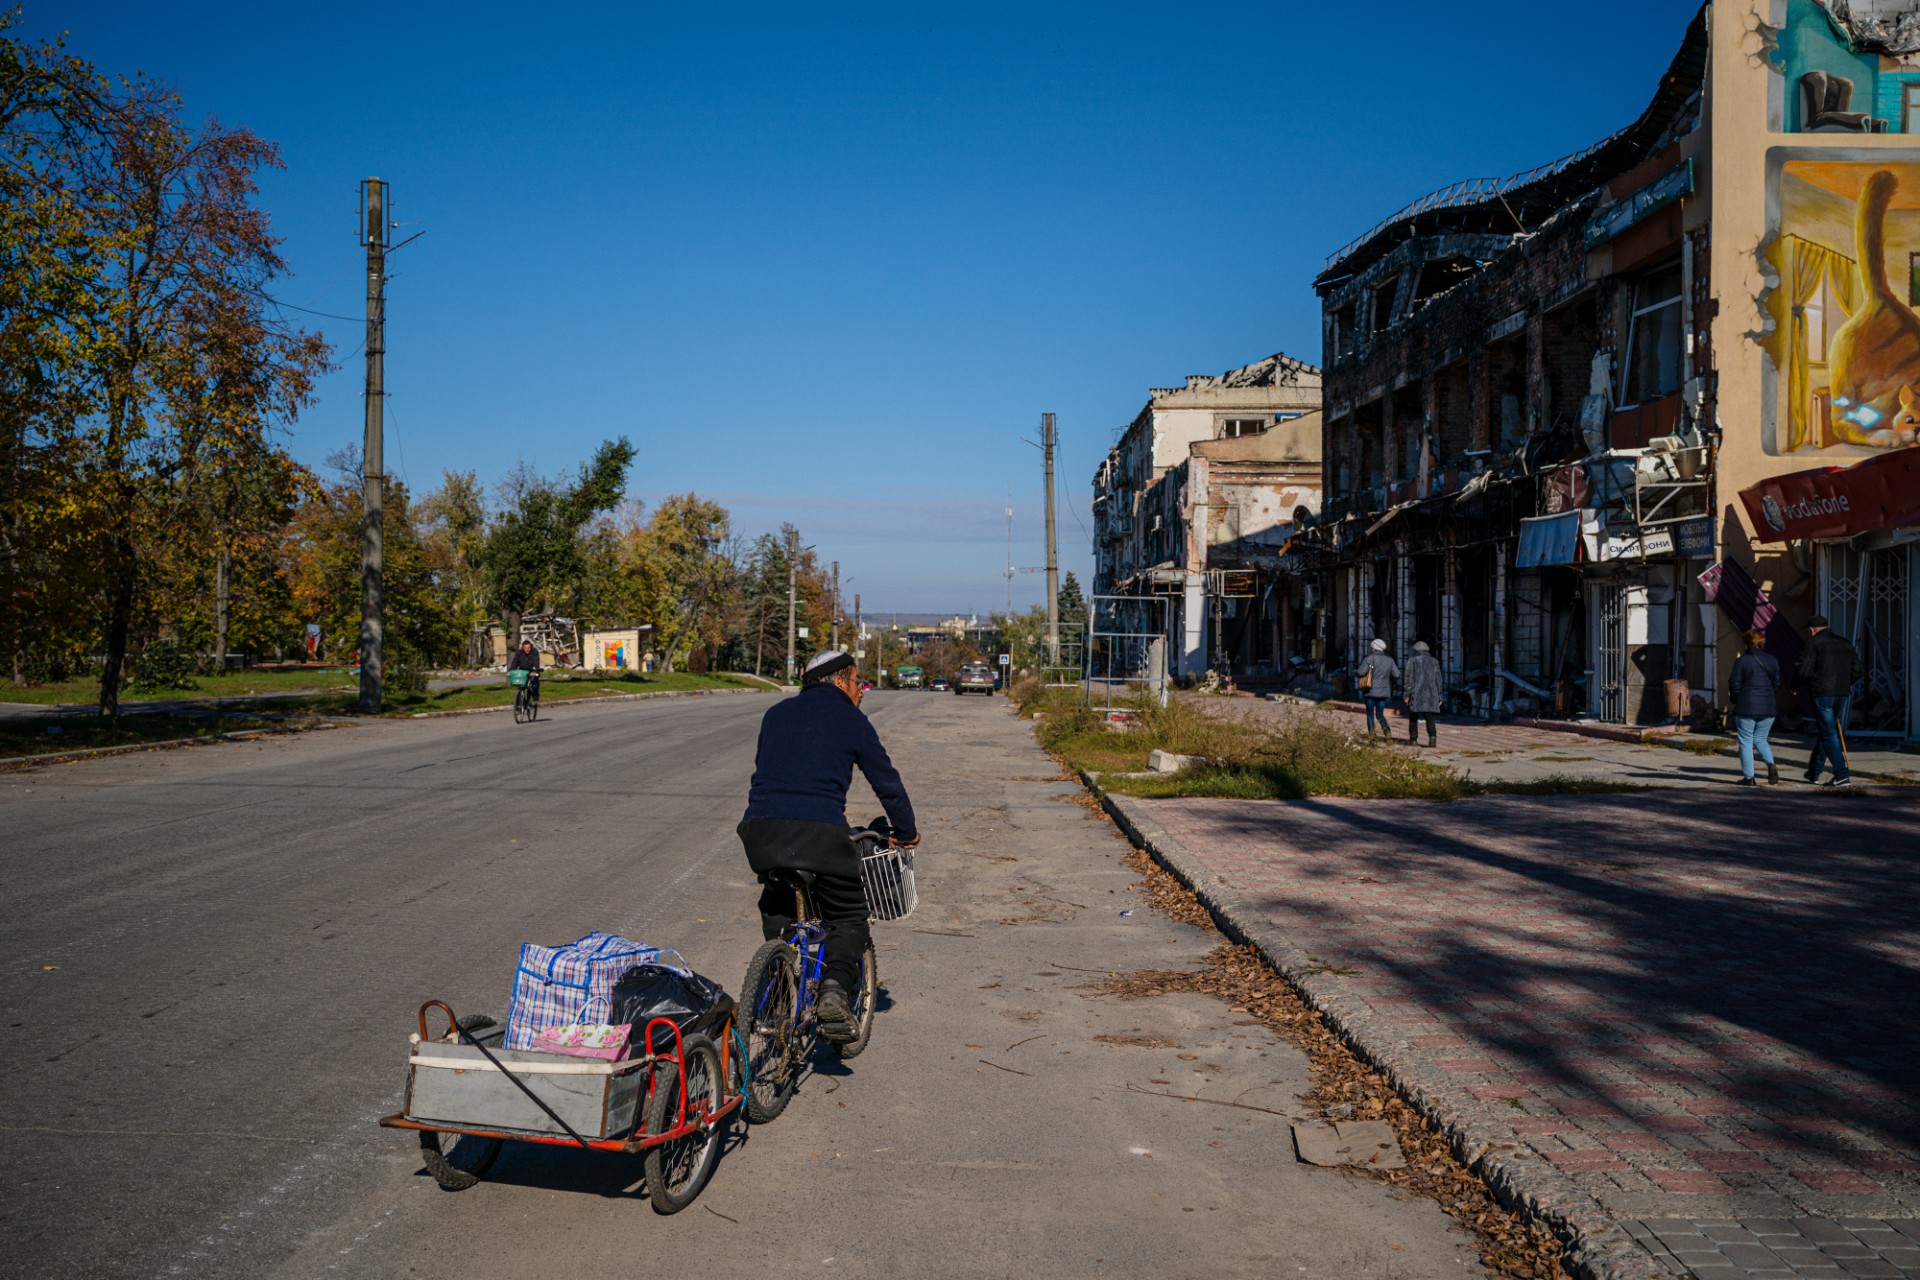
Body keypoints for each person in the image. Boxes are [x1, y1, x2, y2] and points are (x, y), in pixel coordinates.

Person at [738, 649, 919, 1041]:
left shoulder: (776, 714)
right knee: (850, 913)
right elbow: (887, 782)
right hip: (819, 832)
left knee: (777, 906)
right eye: (858, 682)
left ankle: (781, 985)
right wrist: (905, 831)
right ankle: (835, 990)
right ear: (840, 681)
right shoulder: (851, 719)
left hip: (760, 832)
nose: (862, 691)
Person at [1797, 614, 1861, 787]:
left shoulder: (1813, 643)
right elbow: (1857, 670)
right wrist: (1845, 683)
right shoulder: (1845, 643)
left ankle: (1841, 774)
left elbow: (1804, 669)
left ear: (1812, 630)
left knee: (1828, 733)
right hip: (1841, 693)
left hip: (1822, 692)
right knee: (1827, 731)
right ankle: (1813, 772)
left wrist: (1795, 686)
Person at [1727, 628, 1783, 786]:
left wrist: (1736, 699)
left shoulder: (1742, 661)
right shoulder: (1772, 660)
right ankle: (1771, 764)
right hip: (1768, 706)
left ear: (1746, 643)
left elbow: (1734, 683)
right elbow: (1776, 683)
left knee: (1746, 741)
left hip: (1747, 706)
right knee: (1760, 739)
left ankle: (1749, 777)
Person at [1357, 639, 1399, 739]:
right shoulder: (1390, 659)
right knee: (1380, 713)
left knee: (1370, 714)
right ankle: (1387, 731)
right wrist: (1388, 679)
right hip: (1383, 691)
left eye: (1372, 647)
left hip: (1370, 691)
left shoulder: (1370, 658)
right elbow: (1396, 674)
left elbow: (1360, 672)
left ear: (1374, 648)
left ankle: (1372, 737)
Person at [1403, 641, 1442, 748]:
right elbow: (1438, 679)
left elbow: (1408, 679)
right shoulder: (1434, 661)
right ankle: (1432, 737)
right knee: (1429, 716)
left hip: (1416, 693)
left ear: (1416, 650)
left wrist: (1406, 694)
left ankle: (1413, 739)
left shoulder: (1412, 661)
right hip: (1431, 693)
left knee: (1413, 716)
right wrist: (1439, 695)